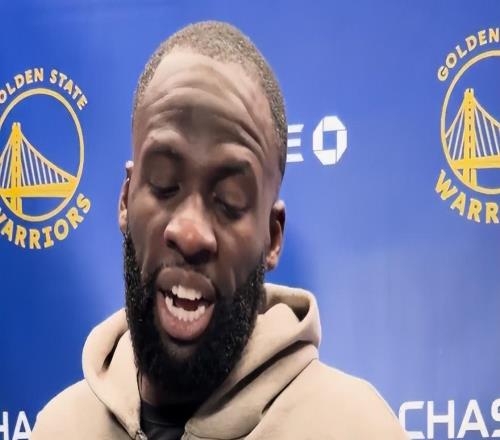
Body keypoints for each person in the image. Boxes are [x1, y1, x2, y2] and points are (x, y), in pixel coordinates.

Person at [32, 21, 408, 440]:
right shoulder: (59, 429)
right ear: (125, 199)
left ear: (272, 237)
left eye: (229, 201)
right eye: (164, 184)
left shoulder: (356, 429)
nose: (190, 233)